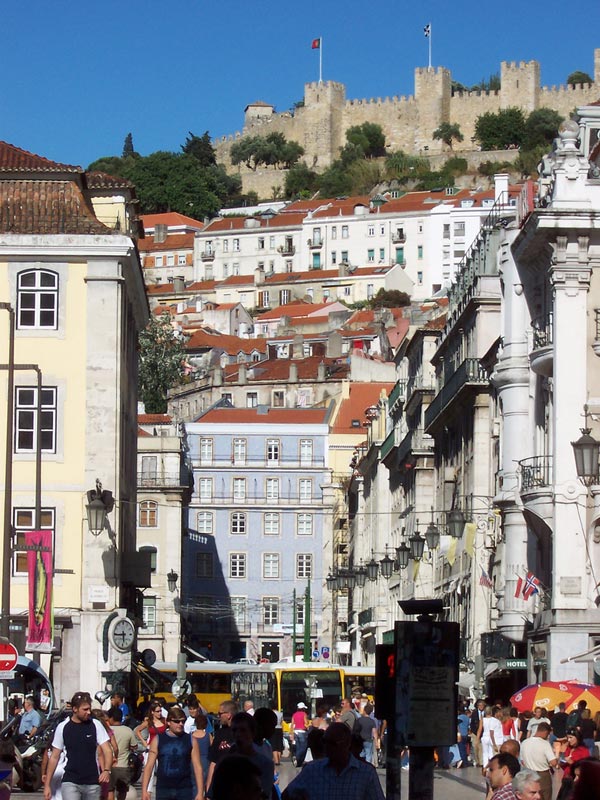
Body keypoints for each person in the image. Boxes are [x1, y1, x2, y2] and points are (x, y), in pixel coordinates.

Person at [282, 722, 385, 800]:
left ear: (347, 743)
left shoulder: (366, 773)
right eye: (325, 741)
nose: (328, 747)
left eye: (333, 743)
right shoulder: (312, 770)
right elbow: (287, 795)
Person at [44, 691, 113, 800]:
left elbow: (107, 750)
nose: (89, 712)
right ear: (75, 709)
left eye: (89, 709)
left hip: (92, 782)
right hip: (70, 781)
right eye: (85, 709)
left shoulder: (95, 725)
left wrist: (106, 770)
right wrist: (47, 785)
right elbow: (54, 757)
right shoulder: (63, 727)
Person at [141, 707, 203, 800]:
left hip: (184, 789)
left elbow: (198, 767)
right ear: (168, 722)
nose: (181, 724)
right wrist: (144, 791)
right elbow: (149, 766)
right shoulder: (158, 739)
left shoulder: (191, 740)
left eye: (183, 721)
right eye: (177, 721)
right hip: (163, 789)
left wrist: (200, 792)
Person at [227, 713, 274, 799]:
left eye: (243, 730)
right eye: (234, 730)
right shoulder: (225, 762)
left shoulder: (264, 763)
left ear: (253, 732)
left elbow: (264, 793)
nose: (238, 734)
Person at [206, 700, 237, 794]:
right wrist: (208, 789)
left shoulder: (241, 732)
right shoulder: (220, 733)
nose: (218, 716)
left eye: (220, 713)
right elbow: (213, 762)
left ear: (229, 715)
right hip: (220, 785)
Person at [520, 722, 557, 800]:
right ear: (545, 732)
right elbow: (553, 763)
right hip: (543, 776)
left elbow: (522, 761)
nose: (548, 737)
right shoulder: (545, 744)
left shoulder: (524, 743)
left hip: (529, 775)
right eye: (548, 734)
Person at [106, 707, 138, 800]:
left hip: (110, 765)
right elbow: (134, 746)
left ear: (111, 718)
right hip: (124, 766)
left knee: (110, 790)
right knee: (123, 791)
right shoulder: (128, 730)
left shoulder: (106, 730)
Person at [191, 713, 212, 791]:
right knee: (206, 785)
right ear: (206, 724)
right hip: (206, 762)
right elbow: (213, 748)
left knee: (195, 784)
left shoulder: (191, 736)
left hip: (193, 761)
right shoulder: (208, 735)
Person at [479, 706, 504, 773]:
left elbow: (480, 729)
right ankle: (490, 766)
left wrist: (477, 738)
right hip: (490, 737)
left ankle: (485, 767)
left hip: (484, 737)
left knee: (485, 753)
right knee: (491, 753)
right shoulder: (494, 720)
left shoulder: (483, 719)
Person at [290, 702, 309, 767]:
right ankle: (297, 758)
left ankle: (298, 762)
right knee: (303, 747)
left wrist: (291, 733)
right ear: (303, 708)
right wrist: (308, 726)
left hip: (295, 731)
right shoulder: (304, 714)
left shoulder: (294, 714)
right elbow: (306, 723)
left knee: (298, 746)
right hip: (302, 731)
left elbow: (292, 724)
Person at [471, 699, 486, 767]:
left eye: (482, 705)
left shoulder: (486, 713)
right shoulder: (474, 713)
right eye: (479, 705)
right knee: (475, 747)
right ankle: (477, 761)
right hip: (475, 733)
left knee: (481, 748)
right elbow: (472, 724)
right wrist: (475, 732)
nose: (481, 706)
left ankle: (481, 762)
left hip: (483, 733)